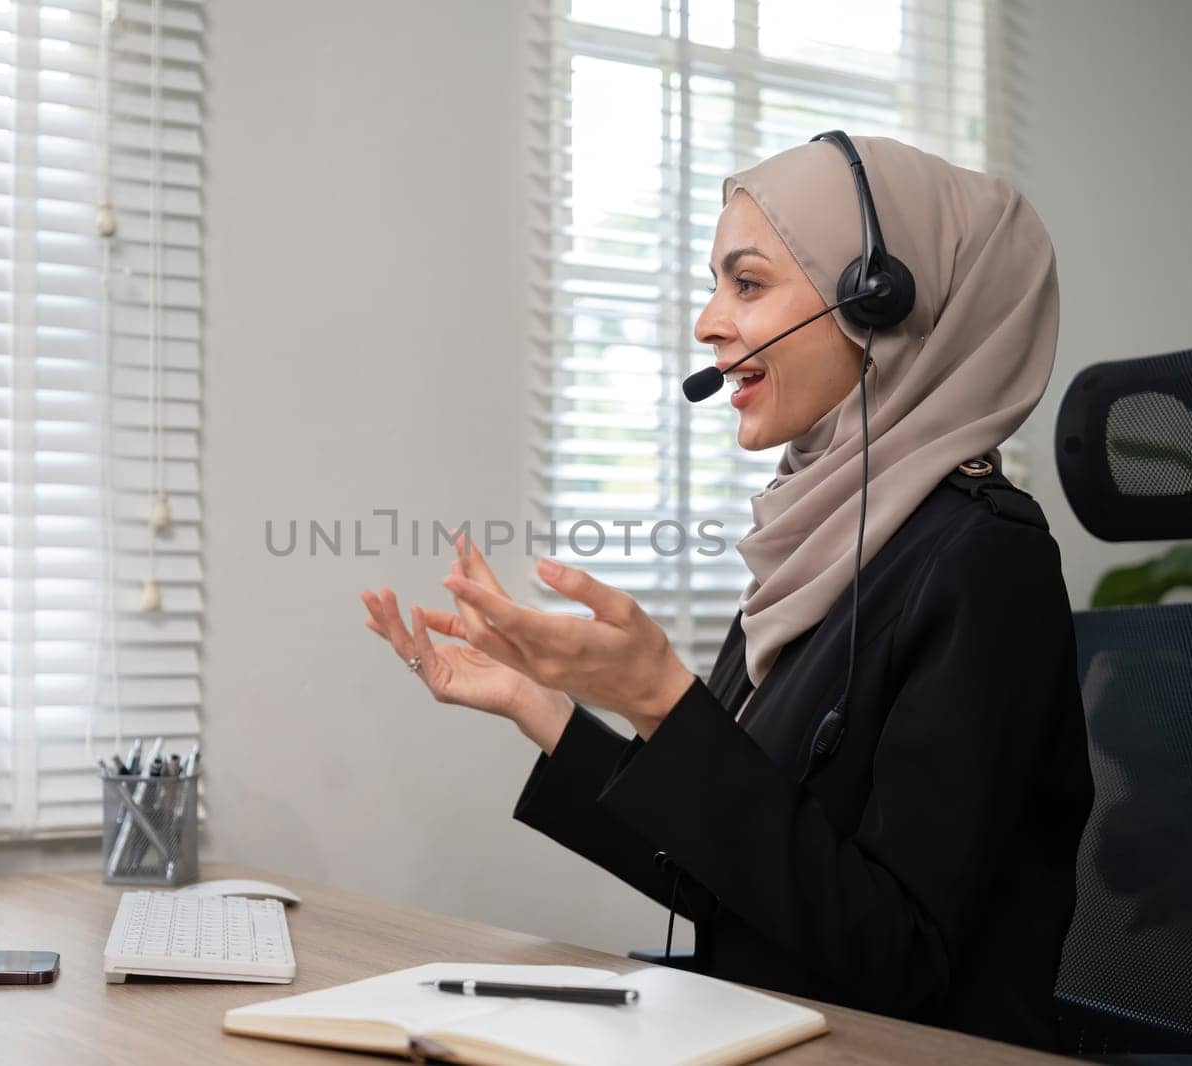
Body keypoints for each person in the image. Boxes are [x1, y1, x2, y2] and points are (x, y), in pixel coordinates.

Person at [359, 134, 1092, 1052]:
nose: (708, 322)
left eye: (747, 285)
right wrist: (537, 707)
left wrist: (665, 699)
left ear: (877, 301)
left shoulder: (985, 562)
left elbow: (904, 962)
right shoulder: (820, 551)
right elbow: (727, 873)